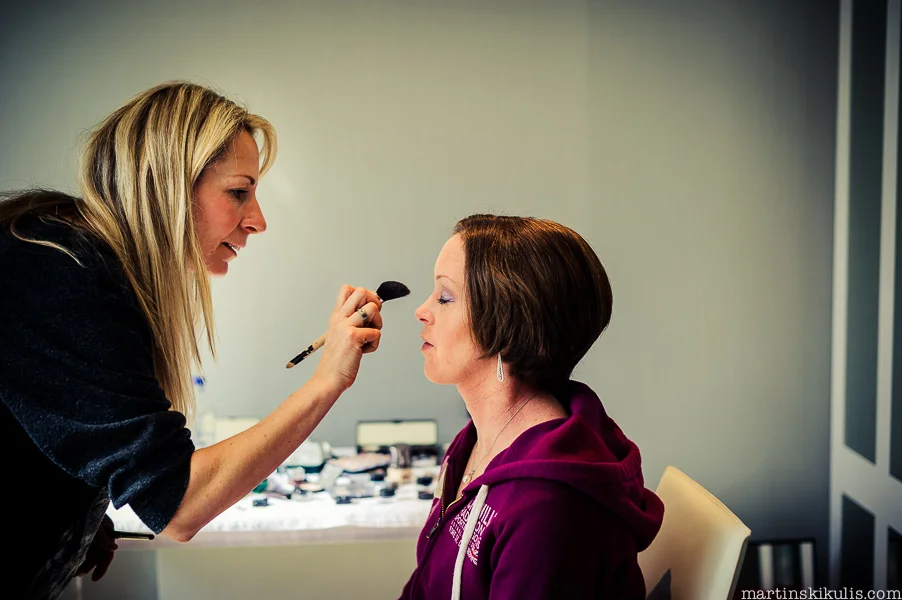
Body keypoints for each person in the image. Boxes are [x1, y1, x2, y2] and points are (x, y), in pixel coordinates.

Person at [0, 81, 384, 599]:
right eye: (239, 192)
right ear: (167, 185)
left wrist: (82, 520)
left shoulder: (73, 259)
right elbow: (179, 505)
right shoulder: (59, 269)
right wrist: (327, 380)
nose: (258, 221)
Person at [400, 214, 665, 599]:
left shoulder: (548, 507)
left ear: (506, 326)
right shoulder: (474, 442)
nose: (422, 310)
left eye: (445, 297)